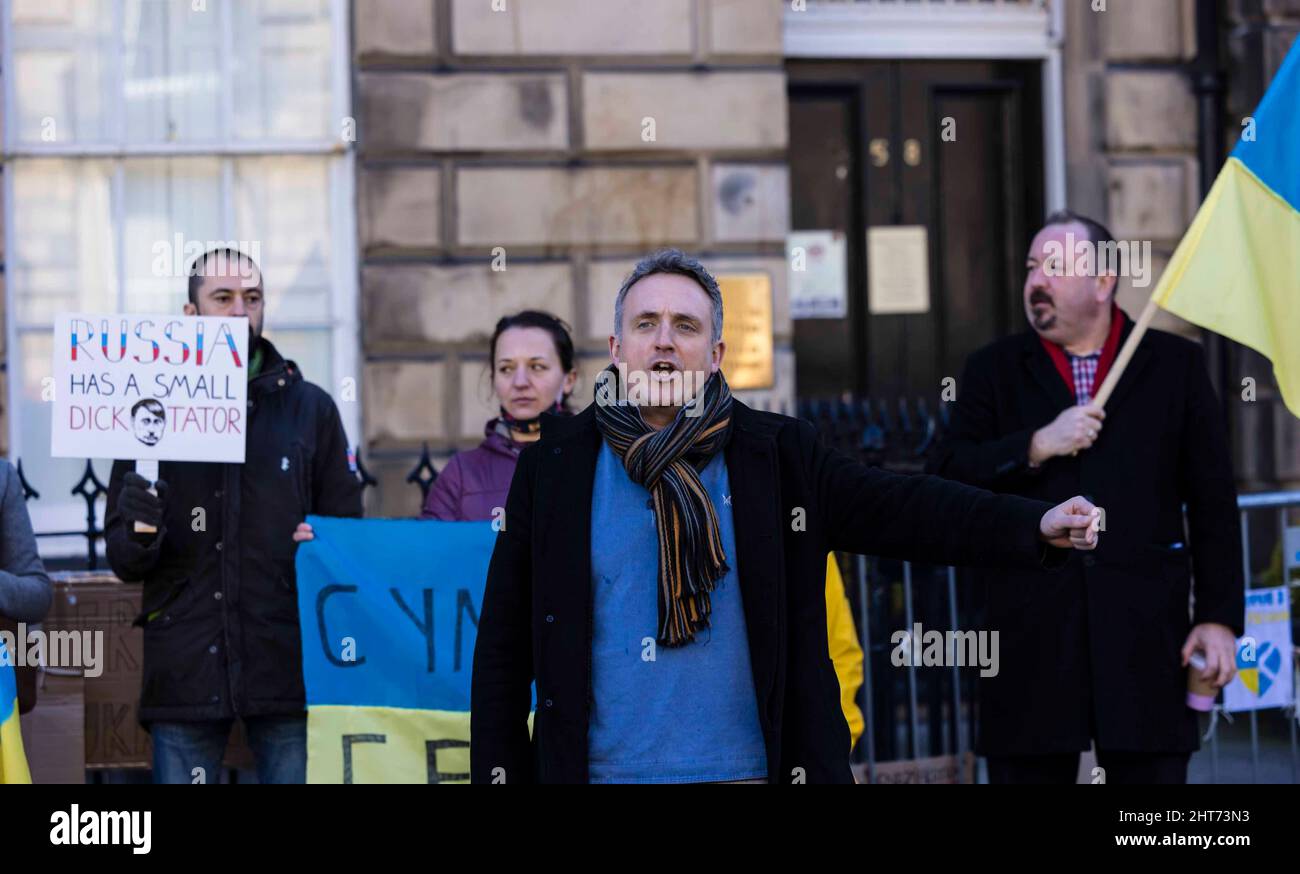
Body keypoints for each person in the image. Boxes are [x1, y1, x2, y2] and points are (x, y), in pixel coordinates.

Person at [471, 248, 1102, 784]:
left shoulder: (778, 455)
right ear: (616, 348)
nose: (664, 339)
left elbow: (906, 507)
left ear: (716, 353)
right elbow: (503, 648)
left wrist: (1032, 523)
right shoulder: (555, 467)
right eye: (646, 323)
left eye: (685, 326)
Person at [927, 210, 1244, 784]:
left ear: (1103, 282)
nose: (1035, 283)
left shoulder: (1175, 366)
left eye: (1054, 267)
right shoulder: (992, 370)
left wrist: (1219, 618)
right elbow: (946, 475)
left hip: (1146, 639)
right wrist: (1035, 446)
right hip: (1029, 643)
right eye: (1030, 268)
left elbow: (1214, 501)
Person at [105, 247, 362, 784]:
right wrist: (140, 525)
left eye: (252, 298)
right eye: (222, 298)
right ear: (191, 314)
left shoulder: (310, 409)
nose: (240, 311)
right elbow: (126, 560)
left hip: (286, 657)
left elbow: (348, 534)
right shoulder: (150, 409)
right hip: (185, 659)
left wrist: (324, 540)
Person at [421, 311, 577, 522]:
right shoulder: (462, 474)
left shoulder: (599, 460)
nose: (520, 382)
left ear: (569, 379)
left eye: (537, 367)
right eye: (506, 368)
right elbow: (432, 550)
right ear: (493, 378)